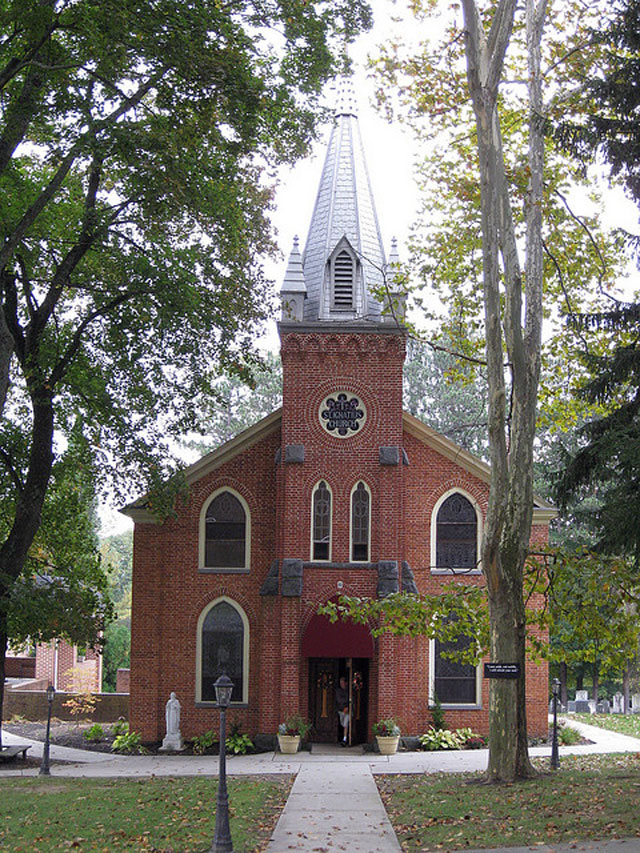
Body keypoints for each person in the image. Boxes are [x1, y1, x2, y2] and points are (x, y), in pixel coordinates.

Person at [335, 676, 350, 746]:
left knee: (345, 724)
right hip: (340, 710)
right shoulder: (338, 691)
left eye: (342, 682)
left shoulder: (349, 691)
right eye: (340, 683)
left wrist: (348, 707)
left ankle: (345, 739)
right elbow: (339, 700)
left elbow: (350, 699)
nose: (342, 684)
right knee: (342, 723)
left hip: (348, 711)